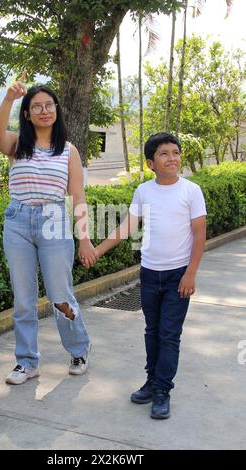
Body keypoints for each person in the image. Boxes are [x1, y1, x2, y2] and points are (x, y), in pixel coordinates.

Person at [91, 133, 207, 419]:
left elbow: (199, 234)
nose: (172, 158)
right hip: (149, 273)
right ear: (150, 163)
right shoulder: (144, 191)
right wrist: (97, 250)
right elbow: (127, 227)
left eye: (176, 152)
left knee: (169, 334)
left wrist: (190, 273)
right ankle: (151, 381)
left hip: (178, 275)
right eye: (164, 154)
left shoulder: (191, 191)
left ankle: (162, 391)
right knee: (152, 331)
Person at [0, 70, 96, 385]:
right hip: (18, 221)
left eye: (49, 105)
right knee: (23, 299)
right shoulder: (16, 145)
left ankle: (79, 349)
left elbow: (78, 196)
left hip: (54, 221)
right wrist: (9, 98)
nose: (44, 110)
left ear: (56, 110)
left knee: (60, 295)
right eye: (36, 106)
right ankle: (27, 362)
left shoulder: (68, 150)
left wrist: (85, 240)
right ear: (27, 113)